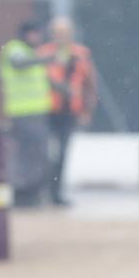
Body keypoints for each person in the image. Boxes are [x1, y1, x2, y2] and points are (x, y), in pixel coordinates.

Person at [37, 16, 97, 207]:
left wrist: (87, 111)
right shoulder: (43, 54)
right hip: (45, 111)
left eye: (64, 32)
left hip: (69, 111)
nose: (60, 36)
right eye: (57, 32)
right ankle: (41, 191)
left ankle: (56, 193)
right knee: (45, 153)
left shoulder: (81, 54)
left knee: (62, 153)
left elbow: (90, 85)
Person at [0, 22, 54, 205]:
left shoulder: (32, 53)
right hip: (23, 112)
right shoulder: (15, 49)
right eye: (33, 34)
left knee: (36, 154)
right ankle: (23, 192)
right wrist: (45, 59)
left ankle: (32, 192)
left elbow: (42, 81)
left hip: (36, 112)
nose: (37, 38)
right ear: (24, 35)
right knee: (29, 154)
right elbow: (18, 63)